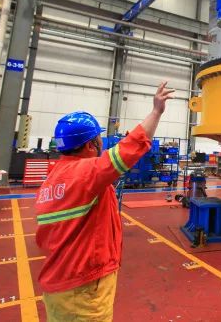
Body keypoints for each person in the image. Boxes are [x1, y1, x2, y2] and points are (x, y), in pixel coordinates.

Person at [35, 81, 174, 321]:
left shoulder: (53, 178)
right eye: (98, 138)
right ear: (91, 144)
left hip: (59, 282)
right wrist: (156, 111)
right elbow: (131, 148)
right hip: (83, 288)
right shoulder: (86, 173)